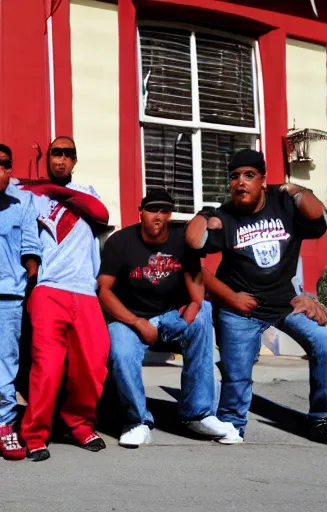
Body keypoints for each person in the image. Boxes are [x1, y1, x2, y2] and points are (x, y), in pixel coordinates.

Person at [186, 149, 327, 447]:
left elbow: (318, 216)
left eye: (249, 176)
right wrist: (230, 297)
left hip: (287, 303)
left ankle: (322, 420)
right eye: (235, 177)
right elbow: (191, 252)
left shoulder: (284, 203)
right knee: (237, 377)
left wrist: (295, 188)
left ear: (263, 181)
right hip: (240, 310)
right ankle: (233, 424)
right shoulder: (225, 215)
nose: (241, 182)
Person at [97, 188, 235, 448]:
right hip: (132, 321)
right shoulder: (120, 241)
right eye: (152, 210)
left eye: (163, 210)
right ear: (141, 213)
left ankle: (199, 414)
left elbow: (196, 287)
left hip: (171, 318)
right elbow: (104, 291)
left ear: (170, 214)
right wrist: (137, 322)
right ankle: (137, 421)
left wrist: (193, 308)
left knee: (204, 314)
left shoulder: (182, 240)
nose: (158, 216)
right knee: (120, 346)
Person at [19, 136, 111, 462]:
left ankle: (80, 423)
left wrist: (53, 190)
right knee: (48, 368)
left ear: (75, 160)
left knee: (94, 363)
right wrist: (36, 190)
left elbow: (100, 213)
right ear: (49, 159)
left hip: (85, 291)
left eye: (67, 154)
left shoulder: (87, 192)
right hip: (48, 289)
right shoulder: (31, 199)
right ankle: (34, 434)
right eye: (56, 153)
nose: (61, 159)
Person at [0, 144, 41, 461]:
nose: (0, 171)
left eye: (4, 165)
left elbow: (31, 246)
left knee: (6, 364)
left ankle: (4, 425)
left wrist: (30, 275)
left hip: (8, 297)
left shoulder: (22, 204)